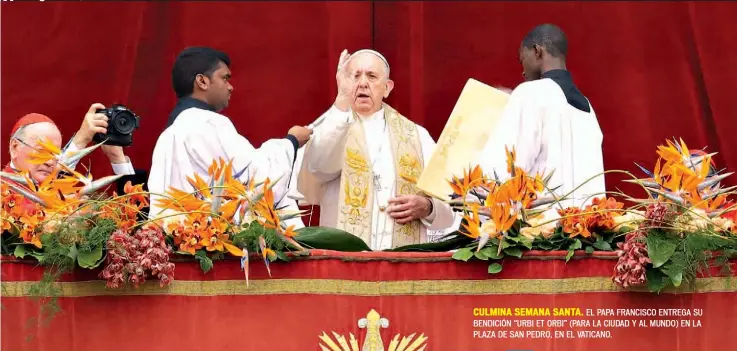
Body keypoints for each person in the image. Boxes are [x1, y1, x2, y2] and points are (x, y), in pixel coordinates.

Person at [297, 49, 456, 250]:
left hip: (403, 266)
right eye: (355, 76)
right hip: (344, 263)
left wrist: (428, 207)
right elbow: (318, 168)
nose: (363, 83)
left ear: (387, 88)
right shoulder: (330, 126)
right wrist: (342, 100)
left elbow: (450, 200)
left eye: (371, 76)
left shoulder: (416, 135)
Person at [148, 47, 312, 219]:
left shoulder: (168, 134)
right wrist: (291, 142)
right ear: (202, 81)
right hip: (215, 239)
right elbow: (259, 178)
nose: (230, 87)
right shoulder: (209, 123)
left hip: (181, 239)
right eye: (225, 78)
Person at [478, 24, 606, 208]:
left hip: (540, 230)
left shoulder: (530, 93)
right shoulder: (587, 107)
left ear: (537, 51)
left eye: (523, 60)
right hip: (585, 227)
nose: (522, 71)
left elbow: (500, 172)